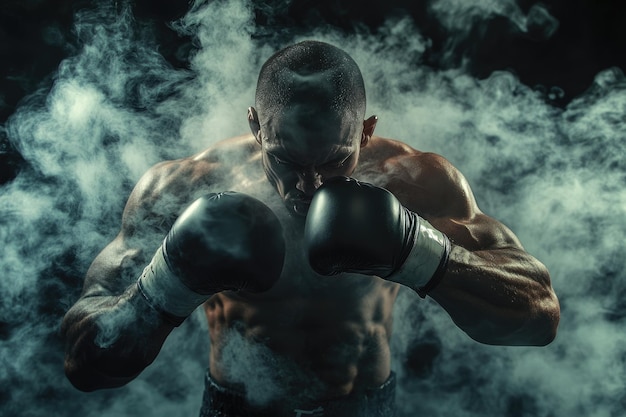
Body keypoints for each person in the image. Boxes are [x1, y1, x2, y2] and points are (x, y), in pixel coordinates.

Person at [61, 40, 560, 417]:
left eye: (336, 160)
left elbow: (539, 315)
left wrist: (418, 250)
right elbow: (83, 363)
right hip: (238, 406)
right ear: (257, 126)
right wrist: (166, 281)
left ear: (366, 131)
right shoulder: (186, 185)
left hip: (362, 404)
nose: (310, 184)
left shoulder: (417, 182)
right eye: (283, 159)